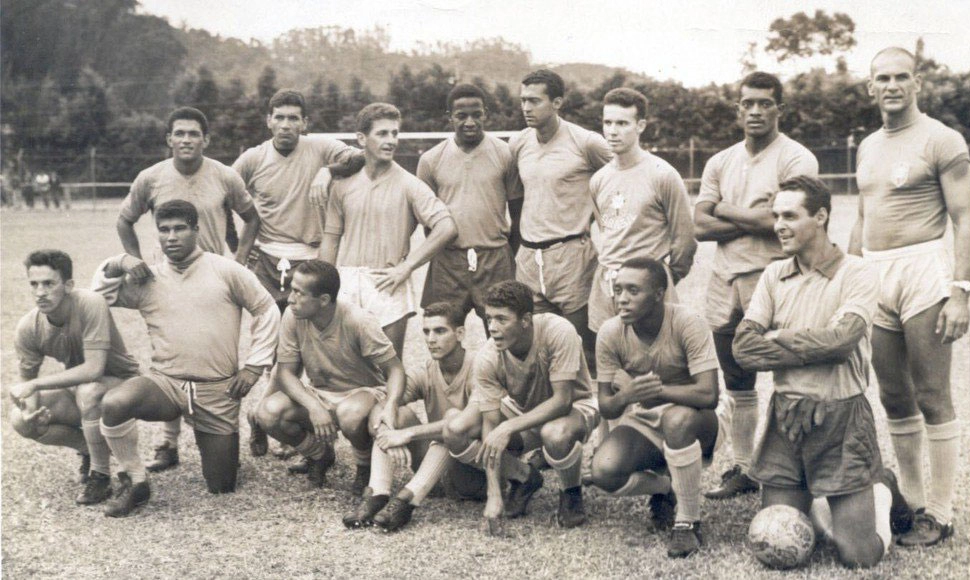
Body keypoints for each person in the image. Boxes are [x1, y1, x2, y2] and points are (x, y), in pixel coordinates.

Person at [733, 175, 912, 568]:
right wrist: (809, 345)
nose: (779, 224)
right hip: (786, 419)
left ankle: (881, 487)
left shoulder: (857, 272)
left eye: (790, 215)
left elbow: (841, 342)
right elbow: (743, 349)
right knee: (778, 533)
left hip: (840, 417)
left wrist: (780, 337)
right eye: (776, 215)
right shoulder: (773, 275)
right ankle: (821, 491)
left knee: (857, 556)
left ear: (821, 216)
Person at [848, 47, 969, 547]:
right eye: (883, 78)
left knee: (932, 394)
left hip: (924, 269)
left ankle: (941, 513)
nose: (892, 85)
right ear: (870, 88)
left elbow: (964, 217)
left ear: (917, 83)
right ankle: (914, 503)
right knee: (894, 395)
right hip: (876, 273)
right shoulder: (867, 146)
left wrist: (961, 291)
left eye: (902, 77)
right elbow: (861, 217)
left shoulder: (942, 139)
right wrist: (849, 281)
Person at [92, 200, 280, 517]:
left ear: (196, 230)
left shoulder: (227, 270)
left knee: (221, 485)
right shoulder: (146, 278)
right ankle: (136, 480)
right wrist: (118, 262)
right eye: (164, 230)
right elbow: (98, 297)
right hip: (165, 385)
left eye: (180, 228)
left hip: (218, 390)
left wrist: (253, 365)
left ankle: (226, 451)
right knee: (114, 403)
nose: (171, 237)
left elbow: (266, 309)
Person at [694, 72, 819, 500]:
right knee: (737, 378)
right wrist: (754, 217)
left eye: (765, 103)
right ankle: (745, 467)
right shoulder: (719, 161)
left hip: (776, 279)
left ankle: (795, 466)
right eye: (748, 103)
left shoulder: (795, 159)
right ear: (738, 108)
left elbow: (780, 222)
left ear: (778, 109)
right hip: (724, 279)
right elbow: (699, 225)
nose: (755, 111)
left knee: (791, 373)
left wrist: (726, 210)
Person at [116, 106, 262, 471]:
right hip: (168, 279)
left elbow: (252, 217)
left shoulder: (225, 176)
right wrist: (136, 263)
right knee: (171, 357)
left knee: (213, 358)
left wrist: (239, 259)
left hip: (214, 280)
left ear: (205, 140)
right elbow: (124, 219)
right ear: (168, 139)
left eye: (193, 134)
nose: (186, 140)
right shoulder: (151, 178)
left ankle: (216, 430)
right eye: (179, 133)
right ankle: (167, 442)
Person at [590, 257, 722, 558]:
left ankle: (688, 521)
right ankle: (667, 487)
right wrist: (627, 396)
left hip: (697, 420)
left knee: (676, 420)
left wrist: (659, 390)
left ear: (659, 293)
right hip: (646, 420)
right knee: (604, 472)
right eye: (618, 289)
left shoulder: (688, 322)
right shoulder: (610, 332)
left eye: (633, 291)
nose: (622, 298)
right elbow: (607, 407)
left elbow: (709, 394)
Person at [443, 280, 600, 533]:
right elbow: (490, 424)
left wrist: (509, 428)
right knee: (455, 430)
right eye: (489, 318)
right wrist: (494, 493)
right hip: (522, 410)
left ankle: (571, 492)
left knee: (554, 433)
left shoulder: (558, 331)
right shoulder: (488, 356)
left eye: (502, 319)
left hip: (575, 407)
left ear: (526, 320)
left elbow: (562, 400)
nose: (492, 328)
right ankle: (524, 476)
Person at [254, 260, 411, 495]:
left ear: (324, 300)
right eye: (292, 289)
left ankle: (364, 465)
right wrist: (314, 406)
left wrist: (390, 405)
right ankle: (320, 455)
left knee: (349, 413)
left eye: (298, 292)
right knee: (267, 412)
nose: (290, 298)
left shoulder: (358, 320)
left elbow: (396, 370)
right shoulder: (292, 315)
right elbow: (286, 372)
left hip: (362, 394)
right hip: (320, 394)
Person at [321, 102, 458, 358]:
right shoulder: (342, 186)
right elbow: (330, 240)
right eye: (382, 133)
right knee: (345, 368)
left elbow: (446, 226)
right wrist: (323, 289)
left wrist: (407, 267)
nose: (391, 140)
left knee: (388, 370)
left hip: (388, 283)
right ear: (362, 139)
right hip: (348, 282)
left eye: (395, 133)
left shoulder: (409, 184)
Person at [9, 250, 140, 505]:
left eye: (49, 283)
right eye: (34, 284)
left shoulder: (90, 303)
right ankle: (89, 450)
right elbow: (27, 386)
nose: (40, 292)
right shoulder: (28, 327)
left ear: (68, 285)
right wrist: (31, 414)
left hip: (126, 386)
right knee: (19, 421)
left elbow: (94, 369)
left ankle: (100, 476)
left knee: (89, 391)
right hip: (82, 390)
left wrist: (35, 384)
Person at [344, 301, 487, 531]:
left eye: (440, 331)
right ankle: (377, 494)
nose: (431, 339)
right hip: (436, 473)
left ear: (460, 333)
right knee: (395, 413)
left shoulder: (480, 367)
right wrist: (388, 432)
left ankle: (407, 501)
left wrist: (406, 435)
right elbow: (382, 406)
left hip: (474, 473)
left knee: (450, 426)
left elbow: (467, 422)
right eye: (426, 331)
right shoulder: (426, 370)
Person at [509, 69, 612, 368]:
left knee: (582, 347)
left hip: (571, 254)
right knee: (539, 350)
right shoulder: (518, 144)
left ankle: (590, 410)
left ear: (556, 103)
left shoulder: (587, 143)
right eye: (523, 101)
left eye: (534, 101)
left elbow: (623, 178)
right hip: (530, 258)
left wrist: (609, 231)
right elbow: (514, 198)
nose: (526, 108)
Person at [588, 88, 696, 332]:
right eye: (608, 122)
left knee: (654, 359)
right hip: (607, 287)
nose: (613, 131)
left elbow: (685, 240)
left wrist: (661, 278)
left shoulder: (662, 175)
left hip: (647, 288)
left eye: (623, 123)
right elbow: (608, 233)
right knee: (608, 359)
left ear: (641, 125)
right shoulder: (598, 179)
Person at [416, 84, 522, 331]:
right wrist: (446, 250)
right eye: (461, 116)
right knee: (443, 336)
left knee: (504, 338)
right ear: (449, 117)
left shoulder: (505, 154)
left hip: (494, 259)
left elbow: (518, 215)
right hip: (448, 262)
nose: (470, 122)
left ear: (486, 113)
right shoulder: (431, 160)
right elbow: (428, 224)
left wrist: (504, 254)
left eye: (477, 114)